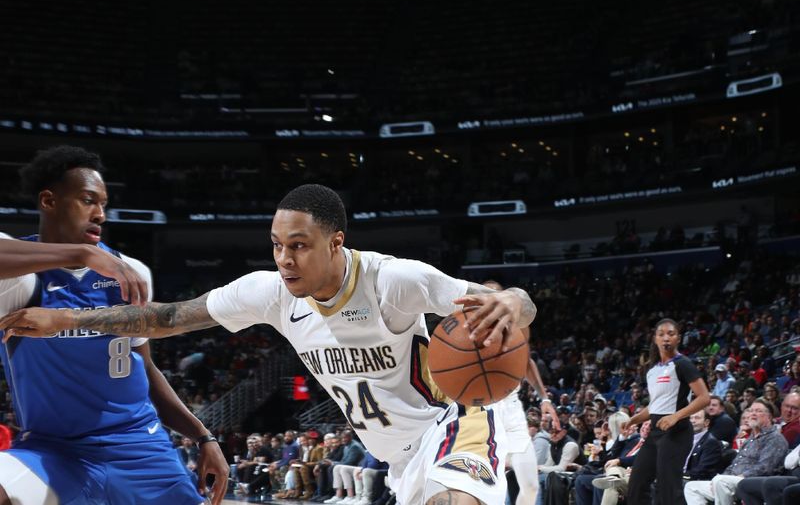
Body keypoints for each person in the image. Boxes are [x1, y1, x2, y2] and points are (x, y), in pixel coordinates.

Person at [2, 183, 538, 505]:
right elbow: (165, 317)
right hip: (396, 456)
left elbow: (509, 301)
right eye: (277, 245)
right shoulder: (269, 292)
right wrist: (63, 321)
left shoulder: (395, 281)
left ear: (336, 243)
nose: (285, 258)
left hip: (453, 421)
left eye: (299, 246)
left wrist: (513, 299)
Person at [0, 145, 228, 505]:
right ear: (48, 201)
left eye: (103, 204)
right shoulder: (20, 279)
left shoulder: (132, 272)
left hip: (141, 449)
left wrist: (203, 436)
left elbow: (146, 368)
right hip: (54, 453)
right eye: (88, 200)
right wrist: (82, 253)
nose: (100, 214)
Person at [483, 280, 559, 505]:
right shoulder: (467, 327)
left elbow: (525, 361)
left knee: (531, 485)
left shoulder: (520, 325)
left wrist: (544, 398)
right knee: (492, 484)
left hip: (512, 405)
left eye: (497, 295)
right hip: (482, 408)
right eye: (487, 295)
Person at [623, 319, 710, 504]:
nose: (666, 338)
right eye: (661, 334)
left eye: (671, 334)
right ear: (655, 339)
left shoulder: (683, 364)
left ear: (678, 338)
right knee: (637, 484)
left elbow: (704, 398)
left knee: (668, 489)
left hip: (676, 433)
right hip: (655, 434)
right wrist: (633, 420)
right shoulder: (652, 370)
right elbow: (655, 405)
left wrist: (676, 416)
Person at [684, 399, 788, 505]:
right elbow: (735, 463)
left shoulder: (775, 438)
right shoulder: (751, 438)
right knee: (691, 487)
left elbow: (766, 467)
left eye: (758, 411)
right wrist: (720, 478)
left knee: (720, 482)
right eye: (751, 410)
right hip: (731, 480)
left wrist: (740, 476)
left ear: (769, 416)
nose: (753, 414)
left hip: (754, 481)